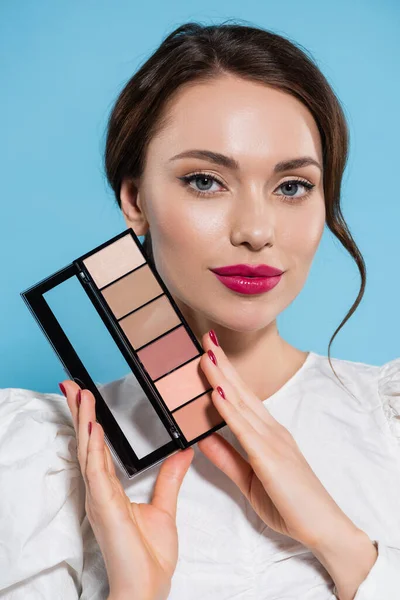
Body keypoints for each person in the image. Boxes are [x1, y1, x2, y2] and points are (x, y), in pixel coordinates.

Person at [1, 21, 399, 600]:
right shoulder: (44, 453)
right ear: (134, 200)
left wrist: (341, 543)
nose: (257, 231)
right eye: (206, 181)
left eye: (292, 186)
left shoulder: (387, 423)